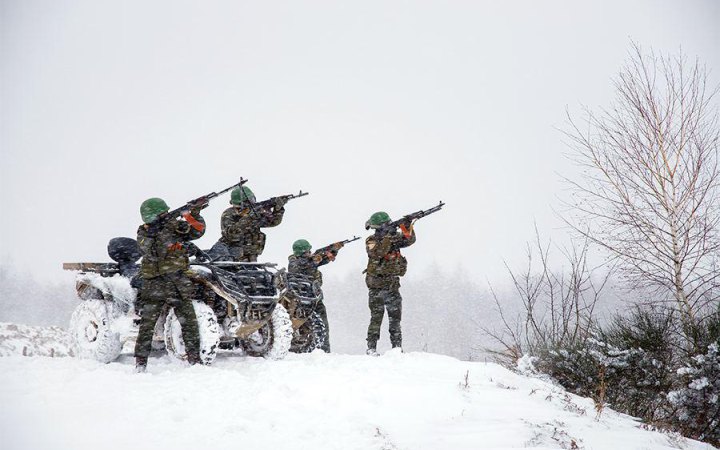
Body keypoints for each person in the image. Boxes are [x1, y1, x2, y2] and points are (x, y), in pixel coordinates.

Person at [134, 197, 206, 372]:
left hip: (177, 282)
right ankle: (140, 362)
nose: (167, 215)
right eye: (163, 213)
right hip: (155, 283)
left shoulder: (174, 226)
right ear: (152, 216)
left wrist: (192, 213)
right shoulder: (144, 232)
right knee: (147, 325)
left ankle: (195, 360)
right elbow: (152, 251)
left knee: (189, 322)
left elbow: (198, 231)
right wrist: (163, 231)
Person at [364, 211, 416, 355]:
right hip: (376, 287)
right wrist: (389, 236)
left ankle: (397, 348)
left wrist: (406, 226)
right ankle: (371, 347)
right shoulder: (371, 240)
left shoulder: (393, 238)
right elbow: (378, 253)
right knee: (376, 318)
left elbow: (409, 240)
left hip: (392, 285)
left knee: (395, 319)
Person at [287, 239, 344, 352]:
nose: (310, 252)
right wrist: (319, 256)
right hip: (301, 300)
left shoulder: (310, 260)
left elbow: (324, 259)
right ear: (303, 252)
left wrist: (334, 249)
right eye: (308, 251)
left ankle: (324, 351)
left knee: (323, 325)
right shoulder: (294, 262)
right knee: (303, 325)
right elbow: (307, 263)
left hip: (315, 298)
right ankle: (305, 348)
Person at [216, 185, 286, 262]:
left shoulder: (252, 212)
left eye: (253, 199)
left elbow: (273, 222)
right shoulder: (229, 214)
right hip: (232, 256)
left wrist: (278, 209)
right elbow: (232, 234)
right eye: (250, 200)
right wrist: (249, 218)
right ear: (243, 203)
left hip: (251, 256)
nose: (253, 203)